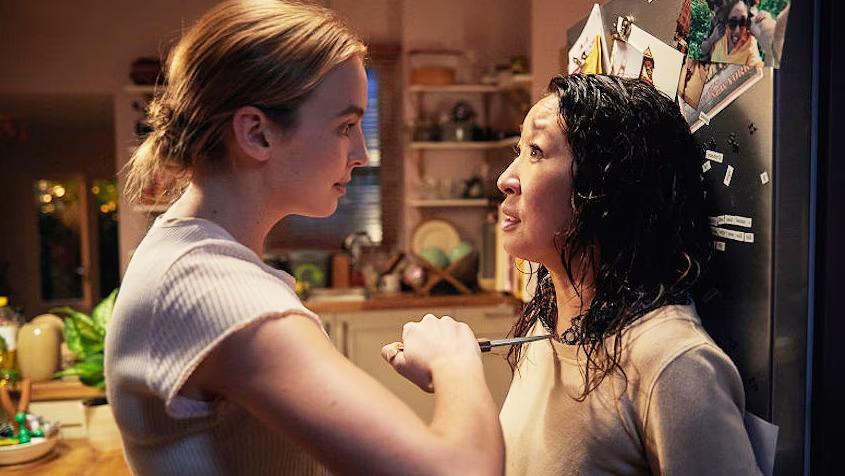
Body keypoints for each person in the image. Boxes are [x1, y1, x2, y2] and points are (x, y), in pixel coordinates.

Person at [105, 1, 504, 475]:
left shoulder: (186, 259)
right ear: (257, 134)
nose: (362, 153)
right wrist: (455, 361)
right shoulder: (214, 290)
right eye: (345, 127)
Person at [387, 74, 762, 474]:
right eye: (519, 150)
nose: (505, 179)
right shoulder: (550, 322)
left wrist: (455, 372)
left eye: (535, 151)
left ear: (606, 183)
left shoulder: (674, 364)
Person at [709, 0, 765, 66]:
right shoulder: (718, 34)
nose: (737, 31)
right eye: (733, 22)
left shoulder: (750, 44)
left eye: (742, 22)